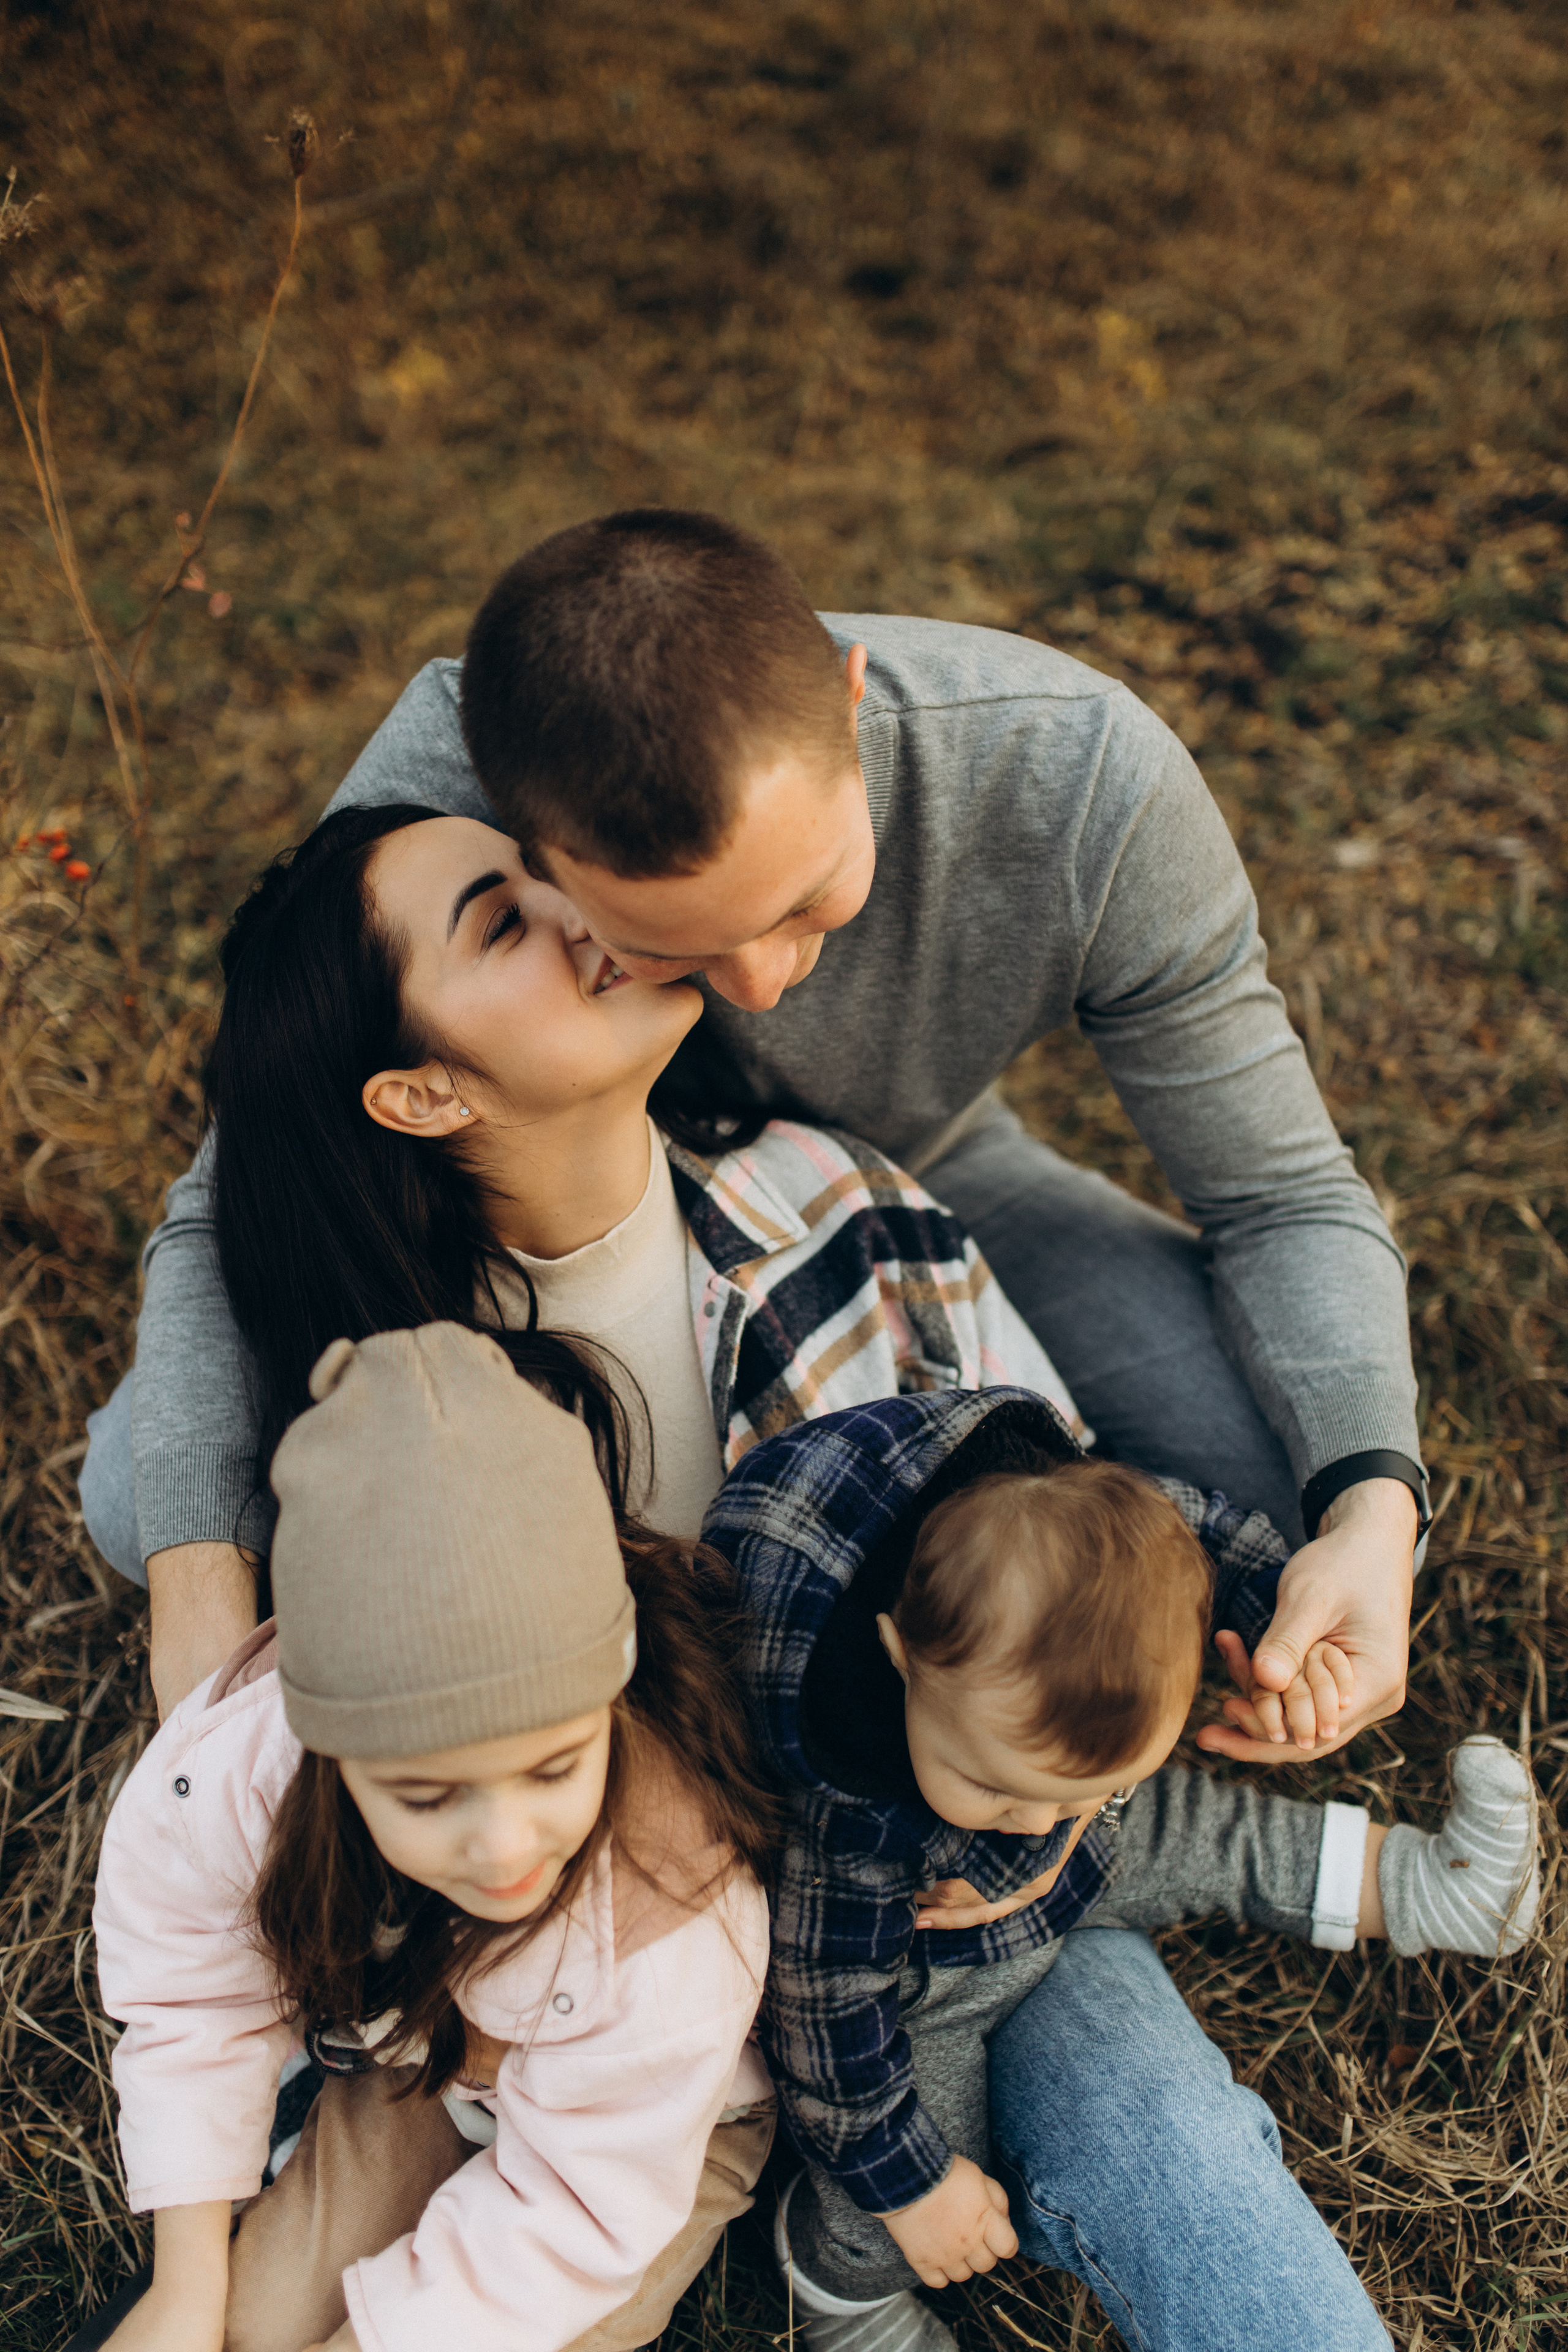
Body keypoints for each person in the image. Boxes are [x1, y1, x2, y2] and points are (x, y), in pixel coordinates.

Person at [81, 508, 1428, 1773]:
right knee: (154, 1484)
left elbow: (1281, 1194)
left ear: (850, 702)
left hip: (938, 1175)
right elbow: (244, 1181)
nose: (760, 987)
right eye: (668, 945)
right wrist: (201, 1595)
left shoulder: (1084, 787)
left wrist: (1372, 1507)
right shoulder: (475, 760)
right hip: (597, 1204)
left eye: (805, 902)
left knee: (1277, 1496)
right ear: (528, 842)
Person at [109, 797, 1078, 1714]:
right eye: (500, 926)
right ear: (425, 1095)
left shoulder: (836, 1200)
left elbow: (1077, 1533)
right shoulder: (406, 1456)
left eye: (544, 871)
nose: (577, 908)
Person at [699, 1387, 1537, 2352]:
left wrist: (1284, 1640)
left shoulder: (1089, 1522)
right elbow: (828, 2025)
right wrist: (913, 2183)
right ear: (900, 1656)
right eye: (1000, 1791)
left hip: (1036, 1821)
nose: (1037, 1829)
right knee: (931, 2126)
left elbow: (1205, 1541)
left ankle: (1433, 1884)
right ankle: (842, 2285)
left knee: (1203, 1831)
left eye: (1074, 1793)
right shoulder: (848, 1799)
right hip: (928, 1958)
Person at [80, 1323, 778, 2352]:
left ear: (614, 1693)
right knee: (249, 2324)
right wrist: (186, 2289)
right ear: (327, 1752)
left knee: (561, 2327)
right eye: (424, 1796)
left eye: (552, 1770)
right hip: (430, 2062)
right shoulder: (243, 1769)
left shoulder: (669, 1908)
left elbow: (569, 2225)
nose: (503, 1847)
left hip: (637, 2147)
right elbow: (193, 1988)